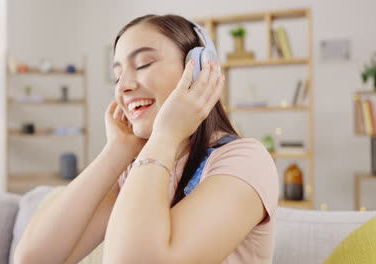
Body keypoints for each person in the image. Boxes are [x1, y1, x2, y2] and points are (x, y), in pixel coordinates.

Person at [14, 14, 279, 264]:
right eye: (118, 75)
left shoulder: (245, 162)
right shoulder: (135, 170)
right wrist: (115, 151)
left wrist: (165, 136)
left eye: (143, 64)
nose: (122, 86)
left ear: (199, 70)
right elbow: (33, 259)